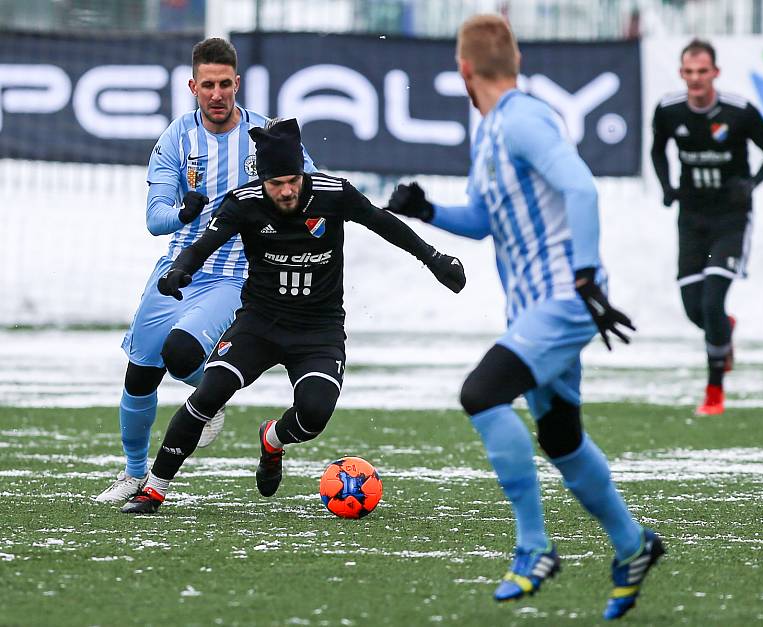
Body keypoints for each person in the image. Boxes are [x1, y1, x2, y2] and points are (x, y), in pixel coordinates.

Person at [386, 14, 663, 621]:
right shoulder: (489, 135)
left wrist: (586, 274)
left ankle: (535, 546)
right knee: (561, 437)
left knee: (481, 393)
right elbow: (484, 221)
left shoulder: (524, 118)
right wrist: (426, 208)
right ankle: (633, 544)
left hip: (565, 298)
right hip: (537, 307)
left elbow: (582, 188)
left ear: (464, 70)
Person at [120, 118, 466, 514]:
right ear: (262, 180)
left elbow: (383, 223)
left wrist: (434, 260)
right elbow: (205, 243)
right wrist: (181, 269)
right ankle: (155, 489)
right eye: (276, 183)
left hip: (318, 330)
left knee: (314, 415)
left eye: (292, 181)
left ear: (302, 174)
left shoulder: (334, 193)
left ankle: (272, 439)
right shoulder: (244, 201)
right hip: (259, 324)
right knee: (208, 394)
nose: (285, 191)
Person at [94, 38, 316, 503]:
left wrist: (309, 231)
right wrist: (183, 212)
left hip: (238, 274)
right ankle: (133, 474)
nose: (217, 94)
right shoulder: (177, 137)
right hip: (180, 269)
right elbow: (155, 218)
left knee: (181, 351)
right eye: (207, 85)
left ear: (237, 83)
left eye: (225, 84)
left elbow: (309, 186)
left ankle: (207, 398)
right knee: (139, 374)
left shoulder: (266, 136)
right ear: (193, 86)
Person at [651, 39, 763, 416]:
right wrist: (666, 186)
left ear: (715, 74)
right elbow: (657, 149)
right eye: (689, 72)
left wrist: (751, 184)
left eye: (702, 72)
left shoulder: (739, 112)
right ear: (681, 73)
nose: (695, 79)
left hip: (731, 218)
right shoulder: (668, 110)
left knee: (712, 302)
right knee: (697, 311)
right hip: (691, 219)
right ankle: (725, 329)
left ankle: (714, 391)